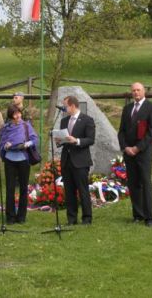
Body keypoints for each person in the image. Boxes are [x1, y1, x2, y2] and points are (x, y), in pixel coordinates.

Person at [117, 82, 152, 227]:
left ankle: (149, 217)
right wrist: (125, 147)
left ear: (143, 91)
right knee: (133, 184)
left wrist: (138, 148)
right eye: (133, 90)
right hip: (129, 152)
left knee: (145, 183)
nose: (136, 93)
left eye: (138, 90)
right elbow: (121, 131)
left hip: (143, 152)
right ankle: (137, 214)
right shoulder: (127, 108)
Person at [58, 95, 96, 225]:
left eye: (65, 106)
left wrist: (77, 140)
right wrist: (59, 140)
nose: (64, 108)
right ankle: (71, 218)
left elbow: (91, 139)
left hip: (80, 161)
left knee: (82, 190)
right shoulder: (64, 121)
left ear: (73, 106)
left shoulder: (87, 120)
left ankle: (87, 218)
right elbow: (63, 140)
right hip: (67, 160)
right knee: (69, 191)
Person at [0, 105, 38, 224]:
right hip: (10, 160)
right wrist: (5, 146)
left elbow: (35, 139)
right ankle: (10, 217)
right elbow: (1, 144)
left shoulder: (26, 125)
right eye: (15, 114)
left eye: (19, 113)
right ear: (11, 116)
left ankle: (21, 216)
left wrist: (27, 144)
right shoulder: (5, 128)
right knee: (10, 189)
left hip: (23, 160)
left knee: (23, 188)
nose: (18, 116)